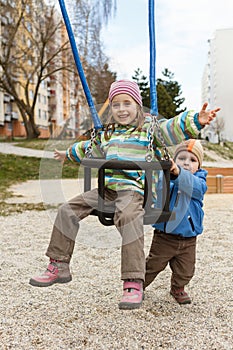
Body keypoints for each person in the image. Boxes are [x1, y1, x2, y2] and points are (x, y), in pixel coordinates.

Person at [29, 80, 219, 310]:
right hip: (107, 190)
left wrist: (195, 120)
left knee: (130, 219)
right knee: (66, 210)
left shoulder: (150, 129)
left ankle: (133, 282)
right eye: (116, 104)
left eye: (127, 103)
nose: (121, 109)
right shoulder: (106, 134)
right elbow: (88, 148)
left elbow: (172, 128)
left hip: (133, 191)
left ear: (138, 105)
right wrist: (67, 154)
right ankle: (58, 265)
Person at [144, 139, 207, 304]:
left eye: (192, 160)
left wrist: (179, 172)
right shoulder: (167, 179)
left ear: (199, 166)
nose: (186, 163)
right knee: (153, 265)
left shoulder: (200, 181)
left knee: (186, 270)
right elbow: (158, 191)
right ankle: (138, 286)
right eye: (182, 158)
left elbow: (196, 189)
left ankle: (178, 288)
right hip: (165, 236)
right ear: (174, 161)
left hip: (189, 238)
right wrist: (168, 173)